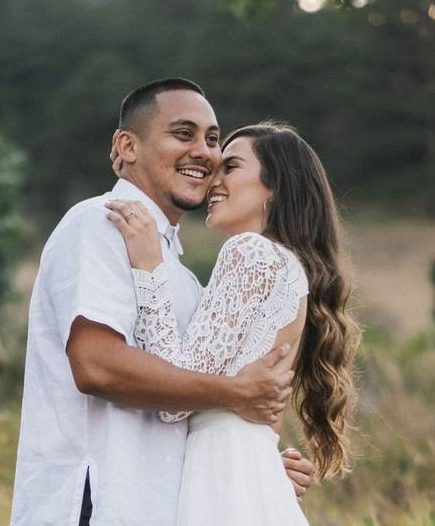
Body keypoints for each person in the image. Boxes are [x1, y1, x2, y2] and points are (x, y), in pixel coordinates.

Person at [10, 79, 314, 526]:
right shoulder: (99, 224)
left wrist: (255, 468)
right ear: (126, 146)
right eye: (182, 133)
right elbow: (98, 366)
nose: (205, 153)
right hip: (99, 499)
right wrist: (235, 396)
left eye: (213, 140)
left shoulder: (185, 277)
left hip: (161, 503)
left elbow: (194, 389)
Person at [105, 122, 359, 525]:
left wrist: (149, 267)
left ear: (275, 187)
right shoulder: (291, 271)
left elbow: (176, 393)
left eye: (231, 167)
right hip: (244, 467)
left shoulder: (250, 252)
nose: (213, 180)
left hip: (222, 472)